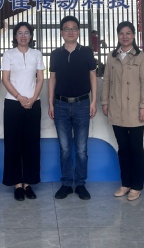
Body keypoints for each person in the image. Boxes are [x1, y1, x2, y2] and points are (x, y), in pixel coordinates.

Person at [101, 21, 144, 201]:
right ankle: (126, 184)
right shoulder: (112, 56)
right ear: (117, 36)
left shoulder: (142, 57)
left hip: (136, 110)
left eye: (128, 33)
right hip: (117, 109)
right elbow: (107, 81)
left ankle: (137, 186)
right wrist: (105, 102)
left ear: (134, 35)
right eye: (121, 33)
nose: (125, 36)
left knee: (136, 148)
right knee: (122, 148)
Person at [48, 16, 97, 200]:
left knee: (81, 149)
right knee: (65, 148)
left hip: (82, 104)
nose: (70, 31)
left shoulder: (87, 52)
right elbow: (52, 79)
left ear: (78, 32)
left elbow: (93, 76)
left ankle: (81, 184)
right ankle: (67, 184)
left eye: (74, 28)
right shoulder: (55, 54)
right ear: (61, 32)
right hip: (60, 105)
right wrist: (50, 103)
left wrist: (93, 101)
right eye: (66, 29)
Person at [1, 21, 45, 201]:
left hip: (33, 104)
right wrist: (19, 97)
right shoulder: (8, 54)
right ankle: (17, 184)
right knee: (13, 144)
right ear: (15, 36)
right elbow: (5, 79)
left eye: (27, 32)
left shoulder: (37, 54)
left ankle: (28, 183)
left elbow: (41, 78)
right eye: (20, 33)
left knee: (31, 144)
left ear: (31, 36)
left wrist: (33, 98)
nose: (23, 36)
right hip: (13, 103)